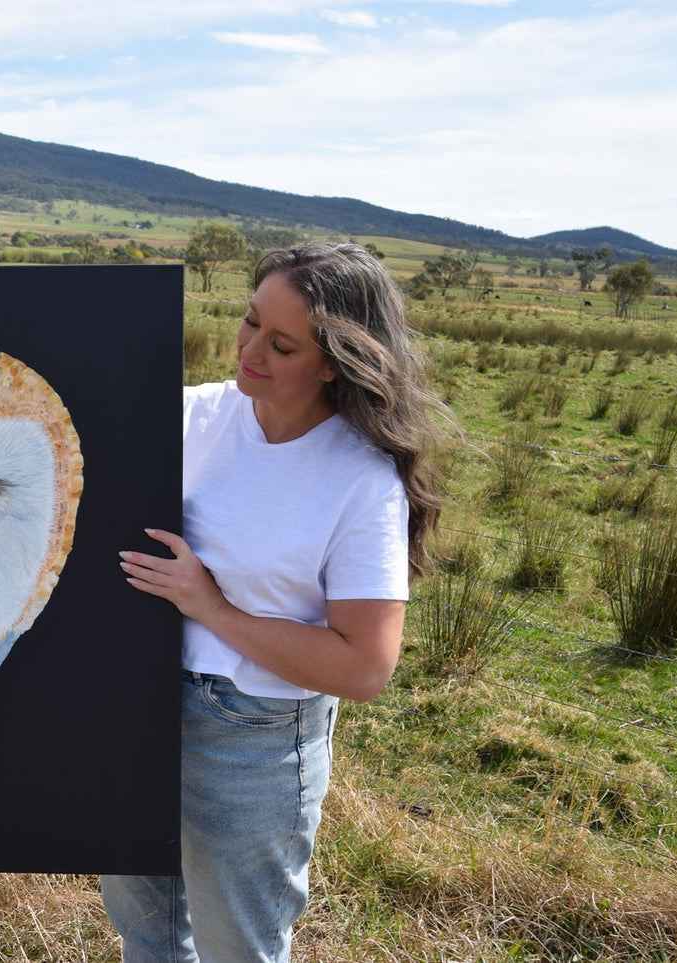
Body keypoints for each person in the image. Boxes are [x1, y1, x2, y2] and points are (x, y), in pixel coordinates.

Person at [101, 242, 447, 962]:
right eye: (249, 321)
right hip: (131, 707)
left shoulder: (359, 480)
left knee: (238, 948)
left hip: (249, 737)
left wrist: (213, 608)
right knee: (145, 932)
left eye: (281, 343)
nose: (250, 350)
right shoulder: (187, 416)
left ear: (334, 363)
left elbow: (364, 668)